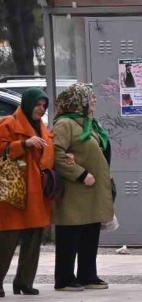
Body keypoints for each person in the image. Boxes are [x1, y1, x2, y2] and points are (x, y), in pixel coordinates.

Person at [52, 84, 113, 292]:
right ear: (78, 102)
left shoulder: (89, 124)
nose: (94, 101)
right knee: (70, 233)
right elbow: (56, 153)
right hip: (74, 191)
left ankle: (87, 275)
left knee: (89, 232)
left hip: (91, 191)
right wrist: (80, 173)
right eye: (90, 98)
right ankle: (64, 277)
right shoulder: (65, 124)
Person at [0, 89, 54, 296]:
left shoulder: (43, 127)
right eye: (37, 105)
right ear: (27, 104)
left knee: (33, 238)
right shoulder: (9, 124)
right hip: (14, 192)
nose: (41, 109)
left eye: (44, 105)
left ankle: (24, 282)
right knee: (7, 240)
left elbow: (48, 152)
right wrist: (24, 144)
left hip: (36, 191)